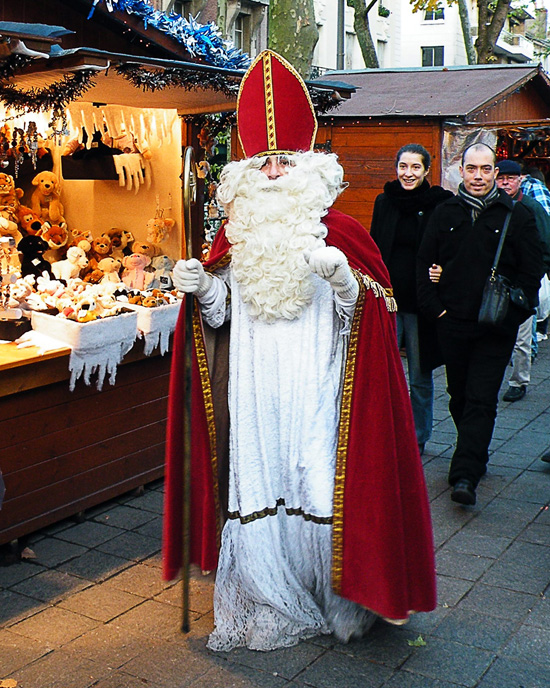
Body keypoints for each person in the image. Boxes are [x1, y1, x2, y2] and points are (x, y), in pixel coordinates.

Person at [162, 50, 436, 652]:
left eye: (285, 158)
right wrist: (203, 286)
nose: (275, 169)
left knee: (317, 479)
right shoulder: (234, 235)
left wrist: (342, 279)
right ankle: (266, 593)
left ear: (309, 164)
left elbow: (365, 321)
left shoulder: (341, 234)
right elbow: (220, 320)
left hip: (319, 379)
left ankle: (341, 599)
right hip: (255, 385)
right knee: (259, 481)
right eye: (264, 159)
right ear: (247, 169)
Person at [417, 143, 543, 506]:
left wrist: (509, 319)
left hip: (494, 328)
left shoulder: (516, 217)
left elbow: (530, 275)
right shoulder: (445, 213)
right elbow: (424, 265)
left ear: (494, 174)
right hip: (452, 324)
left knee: (481, 399)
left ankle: (465, 473)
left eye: (486, 170)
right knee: (459, 396)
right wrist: (437, 312)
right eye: (472, 169)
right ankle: (475, 452)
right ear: (462, 170)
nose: (478, 176)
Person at [370, 144, 452, 454]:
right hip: (389, 301)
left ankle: (418, 436)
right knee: (384, 373)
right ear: (396, 168)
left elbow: (447, 247)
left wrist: (441, 269)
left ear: (426, 171)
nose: (408, 173)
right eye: (403, 166)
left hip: (419, 303)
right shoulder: (384, 202)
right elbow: (375, 245)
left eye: (415, 167)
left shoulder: (438, 205)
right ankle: (384, 431)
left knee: (419, 374)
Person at [495, 159, 550, 402]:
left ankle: (518, 381)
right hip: (494, 285)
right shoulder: (490, 206)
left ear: (520, 180)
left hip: (521, 284)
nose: (505, 182)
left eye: (510, 178)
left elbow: (545, 245)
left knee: (521, 339)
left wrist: (533, 278)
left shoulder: (530, 208)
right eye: (501, 177)